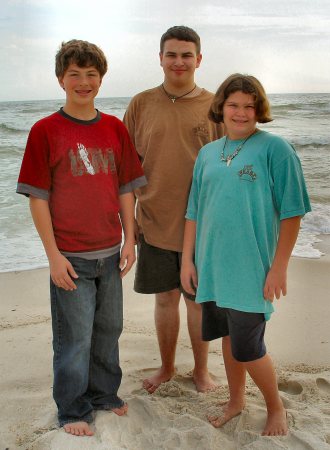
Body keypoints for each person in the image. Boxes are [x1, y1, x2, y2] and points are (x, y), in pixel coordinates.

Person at [16, 40, 146, 437]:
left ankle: (105, 394)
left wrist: (130, 238)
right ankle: (72, 409)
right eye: (75, 74)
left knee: (108, 331)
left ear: (101, 79)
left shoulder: (114, 128)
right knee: (74, 339)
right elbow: (38, 200)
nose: (84, 82)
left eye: (91, 75)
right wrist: (53, 256)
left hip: (110, 253)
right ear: (61, 79)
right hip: (70, 257)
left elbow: (126, 186)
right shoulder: (44, 131)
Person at [181, 73, 311, 436]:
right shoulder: (208, 152)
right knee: (228, 337)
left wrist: (279, 267)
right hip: (212, 266)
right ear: (221, 107)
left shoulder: (275, 149)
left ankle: (275, 408)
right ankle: (236, 400)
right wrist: (187, 260)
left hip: (252, 268)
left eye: (249, 106)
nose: (240, 113)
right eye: (234, 105)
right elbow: (194, 211)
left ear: (259, 110)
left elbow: (293, 210)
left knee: (250, 346)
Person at [123, 26, 223, 394]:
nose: (178, 61)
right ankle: (166, 368)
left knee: (198, 303)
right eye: (171, 54)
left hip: (204, 227)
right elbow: (126, 170)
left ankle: (201, 371)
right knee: (165, 300)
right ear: (160, 58)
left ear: (198, 59)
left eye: (186, 55)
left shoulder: (216, 106)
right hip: (153, 221)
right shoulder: (141, 103)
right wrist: (128, 231)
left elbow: (226, 168)